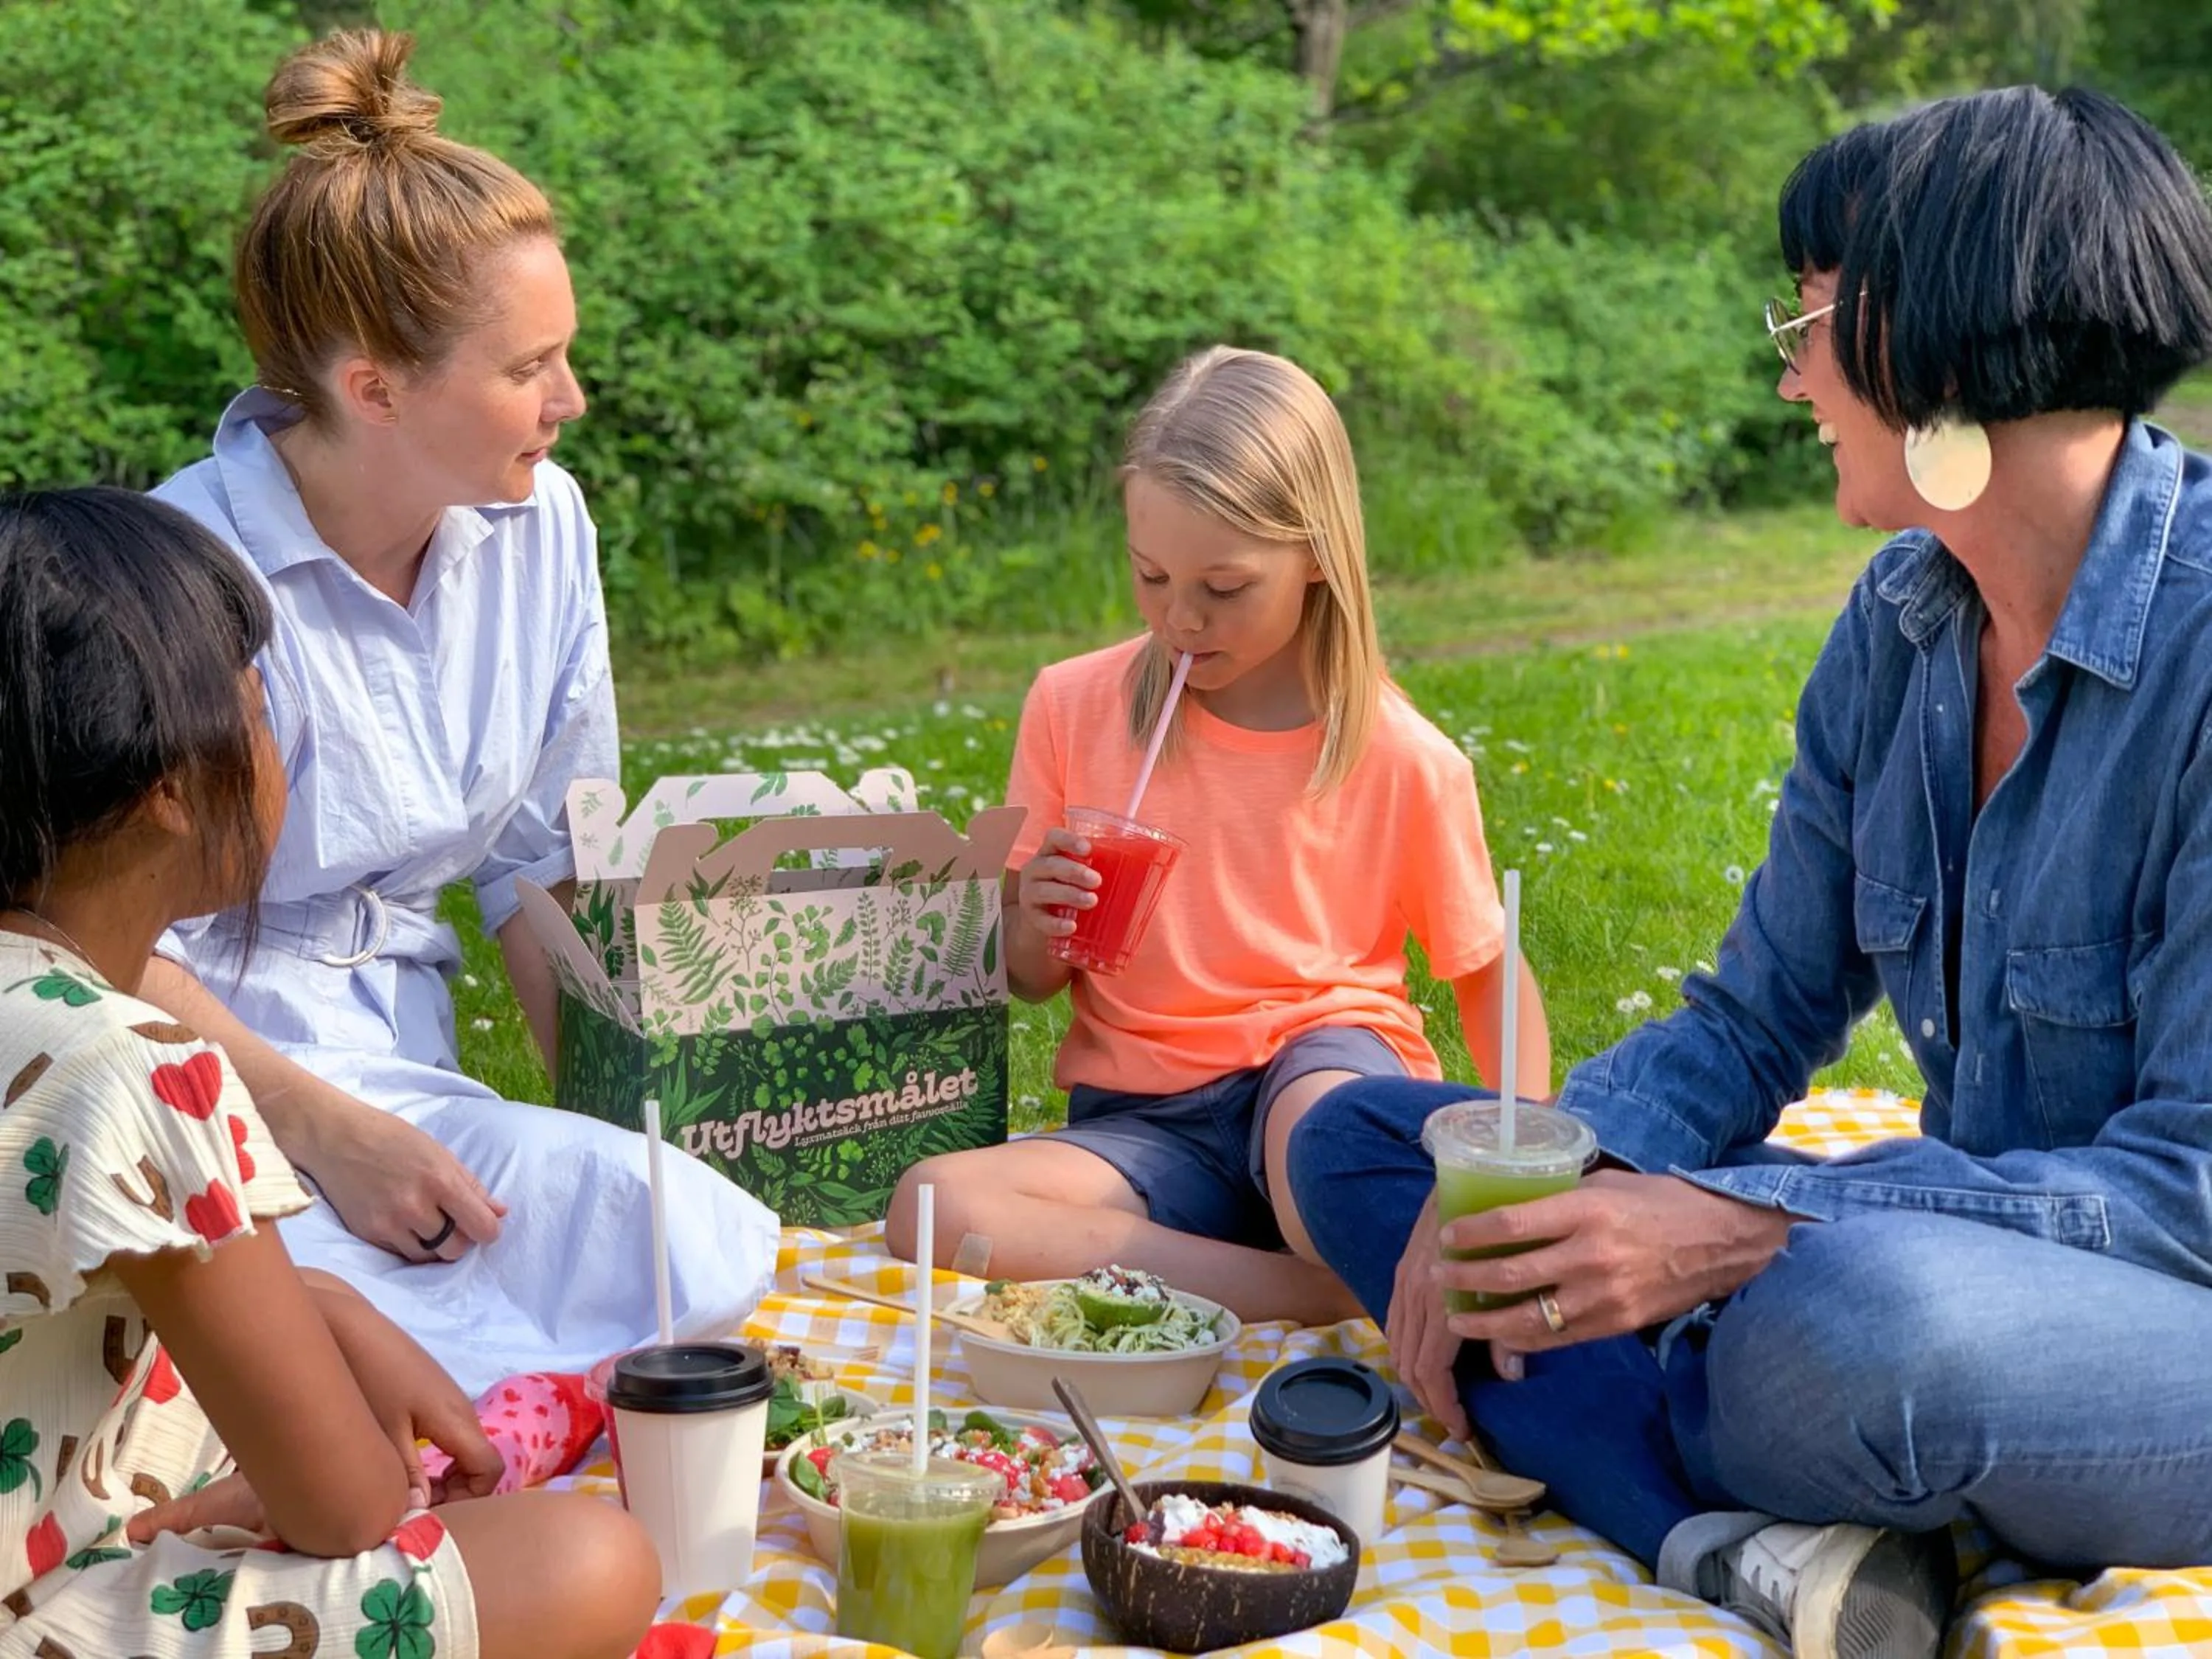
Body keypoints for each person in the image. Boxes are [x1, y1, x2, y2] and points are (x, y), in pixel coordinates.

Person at [1285, 86, 2212, 1659]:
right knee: (1383, 1145)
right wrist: (1548, 1178)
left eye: (1811, 321)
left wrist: (1745, 1224)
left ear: (1940, 339)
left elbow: (2187, 1193)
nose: (1792, 378)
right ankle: (1740, 1535)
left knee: (1842, 1329)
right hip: (1951, 1260)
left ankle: (1667, 1433)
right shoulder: (1901, 625)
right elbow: (1750, 1014)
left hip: (2137, 1313)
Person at [139, 28, 774, 1395]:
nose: (572, 400)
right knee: (327, 1361)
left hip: (410, 1091)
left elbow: (539, 866)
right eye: (527, 368)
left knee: (696, 1240)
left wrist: (626, 1134)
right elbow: (84, 941)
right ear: (373, 386)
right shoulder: (176, 575)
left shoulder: (541, 526)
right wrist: (323, 1129)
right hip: (189, 1093)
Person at [0, 486, 660, 1658]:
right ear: (167, 789)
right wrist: (311, 1478)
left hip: (53, 1467)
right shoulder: (140, 1067)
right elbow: (349, 1507)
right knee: (593, 1560)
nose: (280, 749)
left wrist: (332, 1301)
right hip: (44, 1600)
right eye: (260, 711)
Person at [886, 346, 1551, 1325]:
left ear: (1318, 553)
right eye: (1152, 577)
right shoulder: (1074, 707)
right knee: (932, 1205)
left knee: (1321, 1144)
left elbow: (1487, 968)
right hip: (1146, 1126)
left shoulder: (1402, 756)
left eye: (1224, 587)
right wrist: (1038, 917)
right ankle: (1316, 1289)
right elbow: (1029, 976)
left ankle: (1310, 1244)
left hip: (1316, 1070)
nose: (1182, 617)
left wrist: (1518, 1157)